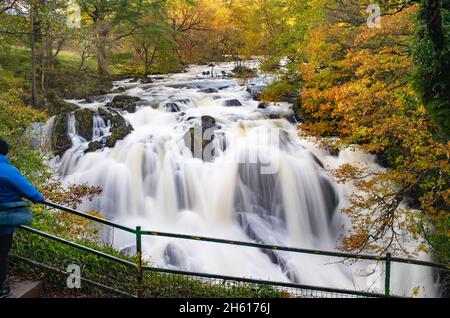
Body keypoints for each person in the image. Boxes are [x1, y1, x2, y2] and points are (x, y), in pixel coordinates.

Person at [0, 138, 45, 298]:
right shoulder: (8, 171)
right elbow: (33, 194)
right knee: (2, 253)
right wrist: (40, 198)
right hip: (2, 223)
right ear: (5, 152)